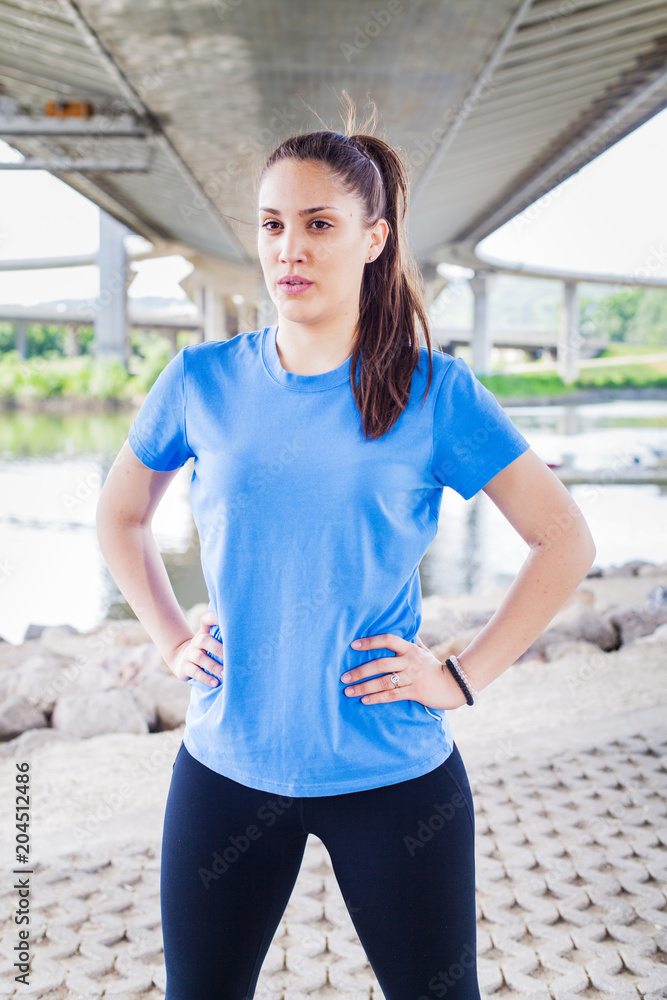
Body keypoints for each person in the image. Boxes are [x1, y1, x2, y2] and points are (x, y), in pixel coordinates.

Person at [95, 96, 596, 1000]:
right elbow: (120, 516)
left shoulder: (435, 392)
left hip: (393, 775)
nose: (289, 247)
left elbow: (562, 539)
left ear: (374, 238)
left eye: (318, 224)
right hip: (227, 769)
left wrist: (461, 676)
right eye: (272, 224)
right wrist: (170, 640)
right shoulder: (202, 380)